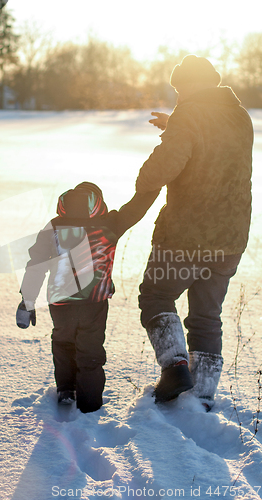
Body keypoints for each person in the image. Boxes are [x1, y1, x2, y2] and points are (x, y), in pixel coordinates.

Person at [135, 55, 254, 410]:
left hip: (186, 240)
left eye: (179, 88)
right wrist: (177, 125)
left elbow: (159, 171)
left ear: (189, 86)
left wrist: (173, 133)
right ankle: (201, 397)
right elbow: (212, 141)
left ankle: (174, 368)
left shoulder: (189, 115)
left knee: (155, 295)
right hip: (230, 240)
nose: (177, 95)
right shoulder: (239, 116)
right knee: (206, 315)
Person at [16, 182, 159, 413]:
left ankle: (66, 390)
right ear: (98, 202)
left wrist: (27, 299)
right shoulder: (110, 224)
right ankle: (89, 407)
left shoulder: (54, 226)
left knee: (63, 342)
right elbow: (137, 207)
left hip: (60, 302)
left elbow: (36, 264)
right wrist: (157, 182)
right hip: (95, 301)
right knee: (90, 351)